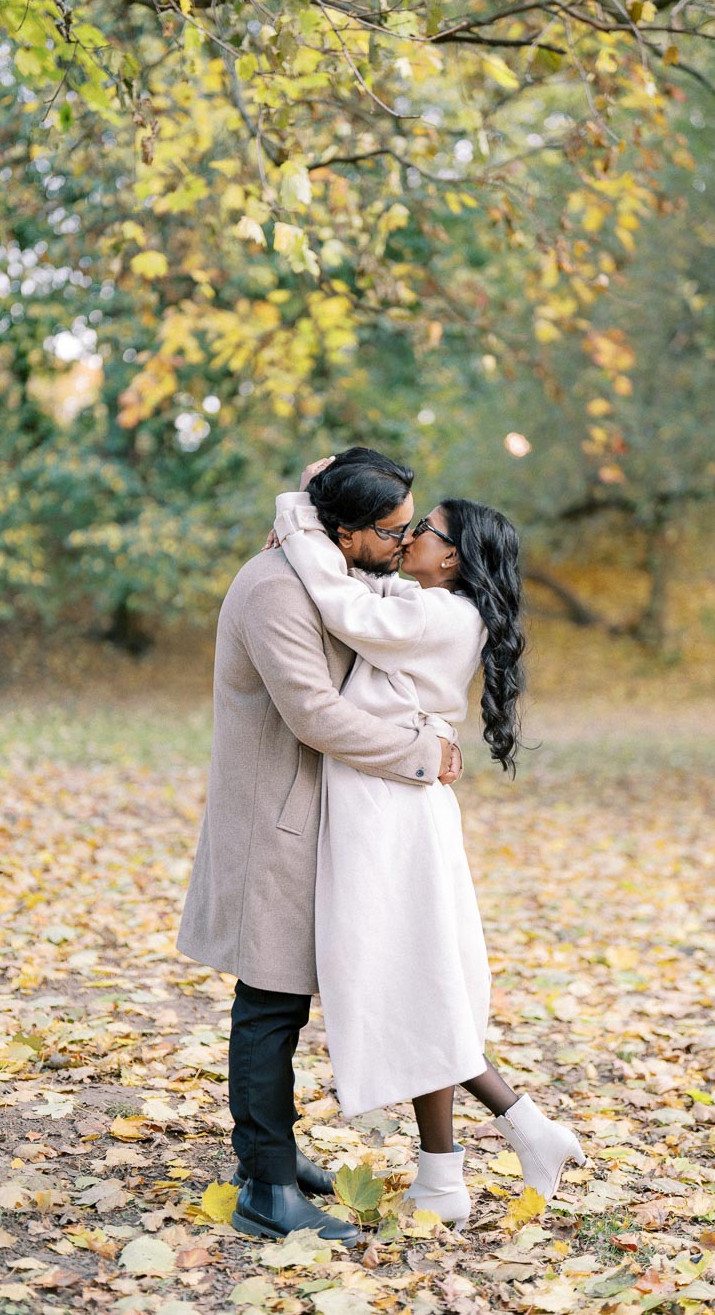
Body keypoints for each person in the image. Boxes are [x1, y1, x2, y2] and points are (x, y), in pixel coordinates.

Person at [271, 455, 585, 1230]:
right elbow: (361, 586)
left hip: (392, 808)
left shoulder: (442, 615)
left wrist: (297, 515)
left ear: (452, 555)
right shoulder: (429, 602)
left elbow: (346, 606)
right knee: (415, 980)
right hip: (389, 800)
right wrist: (328, 492)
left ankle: (496, 1146)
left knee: (410, 979)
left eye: (425, 529)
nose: (409, 537)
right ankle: (470, 1161)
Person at [176, 448, 461, 1246]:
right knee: (267, 1004)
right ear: (346, 529)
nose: (407, 544)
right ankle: (265, 1186)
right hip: (273, 820)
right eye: (395, 531)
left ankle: (275, 1152)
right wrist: (419, 755)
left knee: (286, 1002)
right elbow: (312, 714)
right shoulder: (274, 590)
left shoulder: (328, 569)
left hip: (308, 817)